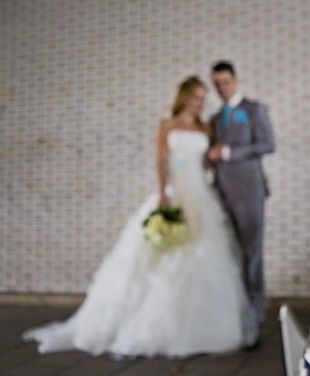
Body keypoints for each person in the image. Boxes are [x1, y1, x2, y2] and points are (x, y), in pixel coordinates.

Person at [23, 76, 259, 357]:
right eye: (197, 97)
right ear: (184, 97)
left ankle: (209, 327)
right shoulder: (167, 124)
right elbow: (161, 159)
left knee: (208, 255)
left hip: (201, 195)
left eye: (203, 98)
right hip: (174, 191)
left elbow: (207, 163)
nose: (200, 103)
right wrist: (163, 194)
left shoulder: (205, 127)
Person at [208, 61, 275, 328]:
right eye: (217, 84)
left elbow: (268, 144)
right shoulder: (214, 118)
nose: (221, 88)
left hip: (249, 191)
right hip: (222, 193)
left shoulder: (253, 109)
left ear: (235, 81)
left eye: (225, 82)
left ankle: (255, 316)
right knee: (230, 254)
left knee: (252, 253)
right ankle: (234, 313)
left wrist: (228, 153)